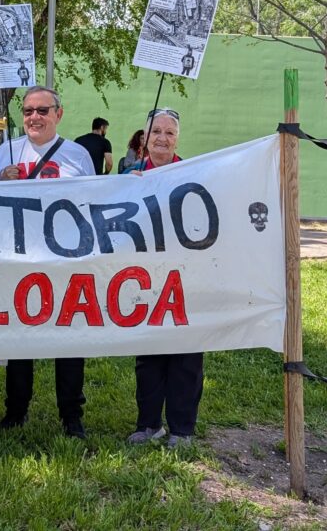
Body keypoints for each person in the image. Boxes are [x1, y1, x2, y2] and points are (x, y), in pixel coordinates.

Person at [0, 86, 95, 438]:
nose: (34, 117)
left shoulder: (78, 155)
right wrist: (0, 182)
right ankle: (16, 410)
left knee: (69, 336)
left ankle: (71, 414)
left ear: (58, 114)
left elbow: (94, 202)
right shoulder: (7, 151)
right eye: (28, 110)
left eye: (42, 110)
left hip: (65, 260)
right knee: (20, 335)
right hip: (19, 258)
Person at [122, 108, 201, 448]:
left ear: (177, 140)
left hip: (184, 275)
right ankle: (149, 424)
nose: (162, 138)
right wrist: (130, 189)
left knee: (186, 353)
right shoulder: (129, 175)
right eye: (156, 132)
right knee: (149, 353)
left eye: (169, 133)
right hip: (144, 276)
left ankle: (182, 429)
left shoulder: (194, 173)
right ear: (145, 137)